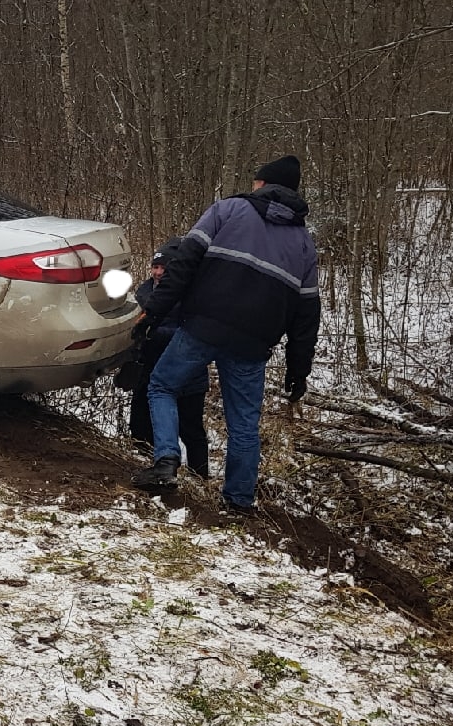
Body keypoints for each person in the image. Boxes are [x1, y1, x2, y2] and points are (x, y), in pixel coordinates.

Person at [132, 155, 320, 512]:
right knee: (244, 424)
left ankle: (166, 462)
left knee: (162, 386)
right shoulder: (304, 245)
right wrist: (298, 370)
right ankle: (238, 501)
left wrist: (153, 312)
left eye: (256, 181)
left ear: (263, 184)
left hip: (204, 325)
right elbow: (307, 314)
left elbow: (184, 262)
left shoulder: (228, 210)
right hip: (253, 343)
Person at [130, 240, 209, 477]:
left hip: (187, 374)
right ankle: (149, 469)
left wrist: (152, 333)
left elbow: (193, 335)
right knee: (140, 426)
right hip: (147, 371)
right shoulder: (143, 292)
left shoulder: (193, 296)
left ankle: (200, 478)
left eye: (164, 267)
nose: (157, 272)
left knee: (191, 430)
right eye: (155, 266)